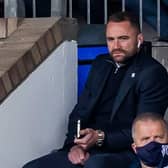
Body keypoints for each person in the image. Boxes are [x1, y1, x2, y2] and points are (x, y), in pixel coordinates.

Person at [23, 11, 168, 168]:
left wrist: (101, 137)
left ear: (139, 39)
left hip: (125, 152)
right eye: (111, 39)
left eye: (123, 39)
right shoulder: (101, 64)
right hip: (89, 148)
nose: (116, 46)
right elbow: (79, 113)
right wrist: (75, 145)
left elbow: (145, 130)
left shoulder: (152, 73)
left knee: (94, 165)